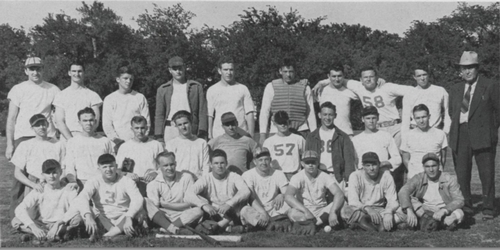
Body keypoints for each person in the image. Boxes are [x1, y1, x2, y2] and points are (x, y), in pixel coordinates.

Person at [75, 154, 184, 241]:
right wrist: (88, 216)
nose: (108, 169)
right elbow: (82, 197)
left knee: (144, 201)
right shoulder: (94, 181)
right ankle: (113, 235)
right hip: (104, 219)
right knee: (87, 209)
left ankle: (170, 228)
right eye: (104, 167)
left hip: (124, 220)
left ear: (116, 166)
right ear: (99, 168)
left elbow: (137, 199)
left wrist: (129, 216)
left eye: (111, 166)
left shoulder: (126, 180)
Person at [448, 51, 500, 220]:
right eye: (464, 68)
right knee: (462, 173)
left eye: (470, 67)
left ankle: (489, 207)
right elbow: (452, 112)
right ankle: (467, 205)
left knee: (486, 173)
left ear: (477, 68)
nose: (467, 71)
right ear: (460, 70)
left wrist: (490, 130)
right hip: (460, 134)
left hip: (483, 134)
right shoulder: (455, 88)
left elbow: (498, 112)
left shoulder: (490, 85)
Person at [314, 66, 413, 147]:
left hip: (395, 128)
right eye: (365, 77)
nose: (368, 79)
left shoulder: (387, 87)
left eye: (371, 76)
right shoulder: (359, 87)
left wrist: (406, 112)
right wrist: (321, 82)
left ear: (377, 77)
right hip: (376, 128)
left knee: (400, 156)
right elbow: (339, 80)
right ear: (361, 80)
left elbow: (412, 91)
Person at [11, 160, 82, 244]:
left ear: (61, 172)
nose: (51, 176)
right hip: (43, 224)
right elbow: (20, 208)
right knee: (15, 221)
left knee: (78, 220)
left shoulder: (68, 189)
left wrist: (58, 224)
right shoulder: (40, 189)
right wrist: (33, 227)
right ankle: (46, 234)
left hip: (61, 224)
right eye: (48, 173)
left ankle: (40, 236)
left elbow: (75, 208)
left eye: (55, 172)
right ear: (43, 175)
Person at [9, 114, 65, 219]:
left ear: (48, 125)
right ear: (32, 128)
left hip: (54, 182)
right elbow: (17, 173)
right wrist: (33, 185)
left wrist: (57, 182)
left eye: (43, 124)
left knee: (53, 217)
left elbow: (63, 168)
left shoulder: (58, 144)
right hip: (34, 184)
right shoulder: (25, 145)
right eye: (37, 125)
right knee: (30, 217)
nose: (41, 127)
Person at [5, 56, 60, 160]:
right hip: (24, 136)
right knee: (23, 174)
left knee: (48, 173)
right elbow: (11, 119)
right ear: (26, 71)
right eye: (32, 69)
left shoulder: (53, 89)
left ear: (43, 70)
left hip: (47, 136)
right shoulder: (18, 89)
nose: (35, 72)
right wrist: (10, 145)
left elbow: (60, 115)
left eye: (38, 69)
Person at [185, 149, 251, 233]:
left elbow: (246, 191)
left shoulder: (234, 176)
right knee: (199, 203)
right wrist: (204, 205)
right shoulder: (206, 178)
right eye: (216, 163)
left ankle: (218, 228)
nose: (219, 166)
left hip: (231, 212)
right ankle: (226, 228)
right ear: (211, 165)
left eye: (222, 163)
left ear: (226, 163)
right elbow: (188, 194)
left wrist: (229, 204)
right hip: (214, 213)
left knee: (240, 204)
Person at [398, 153, 464, 231]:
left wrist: (444, 210)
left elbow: (459, 200)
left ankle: (425, 223)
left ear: (439, 166)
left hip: (442, 209)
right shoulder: (419, 178)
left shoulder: (449, 179)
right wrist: (409, 210)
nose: (431, 170)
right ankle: (439, 223)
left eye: (434, 166)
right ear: (423, 167)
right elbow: (403, 191)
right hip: (423, 210)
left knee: (459, 213)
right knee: (401, 209)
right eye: (427, 166)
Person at [284, 150, 345, 233]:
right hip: (303, 210)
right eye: (307, 162)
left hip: (321, 209)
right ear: (302, 164)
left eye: (313, 162)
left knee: (342, 203)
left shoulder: (324, 176)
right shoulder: (297, 177)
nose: (310, 165)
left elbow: (339, 193)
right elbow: (288, 196)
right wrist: (306, 211)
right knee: (293, 212)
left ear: (317, 163)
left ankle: (312, 224)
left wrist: (332, 211)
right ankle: (319, 223)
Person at [340, 152, 403, 232]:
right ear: (363, 166)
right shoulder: (355, 176)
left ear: (379, 164)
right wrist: (368, 209)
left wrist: (388, 213)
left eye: (374, 165)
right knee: (345, 211)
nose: (371, 168)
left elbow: (393, 200)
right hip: (361, 209)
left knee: (403, 212)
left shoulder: (387, 176)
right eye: (368, 165)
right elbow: (353, 201)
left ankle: (365, 224)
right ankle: (381, 224)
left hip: (380, 210)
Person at [259, 57, 317, 144]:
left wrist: (314, 134)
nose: (288, 75)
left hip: (300, 129)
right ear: (280, 71)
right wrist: (262, 134)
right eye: (285, 72)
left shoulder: (305, 87)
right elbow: (265, 111)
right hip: (277, 129)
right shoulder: (271, 86)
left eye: (291, 71)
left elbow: (310, 112)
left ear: (295, 72)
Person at [146, 151, 204, 233]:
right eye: (165, 165)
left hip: (182, 215)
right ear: (159, 166)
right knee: (145, 201)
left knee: (198, 210)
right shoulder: (153, 183)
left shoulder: (186, 178)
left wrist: (167, 205)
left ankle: (166, 228)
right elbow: (155, 208)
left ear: (176, 163)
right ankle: (173, 228)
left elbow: (190, 203)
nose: (169, 168)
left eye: (172, 164)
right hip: (164, 215)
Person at [305, 102, 356, 191]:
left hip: (336, 176)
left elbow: (349, 161)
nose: (327, 118)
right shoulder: (312, 136)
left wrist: (348, 181)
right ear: (319, 115)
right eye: (325, 114)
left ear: (335, 116)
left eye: (330, 115)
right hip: (318, 174)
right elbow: (307, 158)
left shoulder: (343, 136)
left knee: (338, 202)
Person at [154, 56, 207, 143]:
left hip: (190, 127)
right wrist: (159, 135)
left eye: (180, 68)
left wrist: (202, 131)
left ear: (184, 68)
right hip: (171, 128)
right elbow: (159, 114)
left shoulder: (196, 87)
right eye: (175, 69)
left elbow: (202, 111)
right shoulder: (163, 89)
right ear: (170, 70)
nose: (178, 71)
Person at [351, 106, 402, 190]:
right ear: (362, 119)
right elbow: (354, 162)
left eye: (373, 118)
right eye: (368, 118)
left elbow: (397, 158)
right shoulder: (356, 139)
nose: (371, 121)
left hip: (383, 175)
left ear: (378, 118)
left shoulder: (386, 135)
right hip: (364, 177)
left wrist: (384, 163)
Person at [241, 147, 291, 231]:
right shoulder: (248, 175)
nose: (264, 163)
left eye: (266, 159)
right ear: (255, 161)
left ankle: (264, 225)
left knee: (289, 203)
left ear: (270, 160)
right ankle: (274, 224)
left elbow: (287, 193)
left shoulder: (278, 173)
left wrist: (281, 195)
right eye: (260, 160)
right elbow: (251, 198)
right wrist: (263, 213)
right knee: (245, 210)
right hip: (257, 209)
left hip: (274, 207)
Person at [102, 65, 150, 150]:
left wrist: (141, 138)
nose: (128, 81)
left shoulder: (139, 97)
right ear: (118, 79)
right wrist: (116, 140)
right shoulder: (110, 99)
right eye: (125, 78)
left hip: (138, 142)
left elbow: (147, 121)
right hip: (117, 144)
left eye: (131, 79)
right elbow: (107, 124)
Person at [207, 57, 255, 139]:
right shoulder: (212, 90)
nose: (228, 73)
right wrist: (210, 135)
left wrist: (251, 134)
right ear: (219, 71)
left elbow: (249, 113)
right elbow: (210, 115)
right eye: (225, 70)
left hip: (240, 134)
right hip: (219, 134)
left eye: (231, 70)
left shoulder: (242, 88)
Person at [64, 108, 114, 186]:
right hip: (81, 182)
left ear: (95, 121)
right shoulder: (72, 142)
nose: (88, 123)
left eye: (91, 120)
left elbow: (112, 164)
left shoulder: (105, 141)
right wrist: (73, 182)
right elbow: (69, 166)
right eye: (85, 120)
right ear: (79, 122)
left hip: (102, 182)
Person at [53, 62, 102, 140]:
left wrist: (85, 137)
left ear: (84, 73)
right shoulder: (61, 95)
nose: (77, 74)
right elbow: (59, 121)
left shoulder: (92, 95)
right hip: (67, 137)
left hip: (87, 137)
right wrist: (71, 140)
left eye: (79, 71)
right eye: (74, 71)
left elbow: (95, 121)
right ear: (69, 73)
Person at [116, 116, 164, 195]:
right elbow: (117, 170)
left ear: (146, 128)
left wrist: (155, 173)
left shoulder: (156, 145)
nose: (140, 131)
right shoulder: (124, 147)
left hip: (151, 183)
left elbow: (164, 166)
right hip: (131, 184)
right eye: (136, 128)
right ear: (132, 129)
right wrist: (127, 174)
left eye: (142, 128)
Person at [400, 66, 451, 141]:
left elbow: (448, 113)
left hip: (435, 132)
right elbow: (405, 119)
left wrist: (446, 131)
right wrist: (404, 139)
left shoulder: (440, 90)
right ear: (414, 77)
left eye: (424, 75)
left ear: (428, 75)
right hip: (416, 134)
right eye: (419, 76)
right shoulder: (409, 94)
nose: (422, 78)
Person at [400, 104, 448, 179]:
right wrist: (413, 172)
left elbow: (443, 158)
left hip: (435, 177)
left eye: (424, 117)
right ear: (414, 119)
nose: (421, 121)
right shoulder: (408, 135)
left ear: (429, 116)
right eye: (418, 118)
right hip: (415, 176)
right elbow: (405, 159)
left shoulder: (440, 134)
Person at [316, 62, 359, 136]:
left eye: (339, 76)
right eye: (334, 76)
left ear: (344, 76)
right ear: (328, 76)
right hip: (326, 134)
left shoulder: (349, 91)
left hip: (346, 133)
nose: (337, 79)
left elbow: (366, 91)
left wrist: (378, 81)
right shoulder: (320, 90)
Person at [164, 110, 210, 179]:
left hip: (197, 181)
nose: (183, 127)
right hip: (178, 181)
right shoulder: (171, 144)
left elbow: (206, 166)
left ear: (191, 123)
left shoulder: (201, 142)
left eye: (185, 123)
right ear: (176, 126)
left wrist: (203, 182)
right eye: (180, 125)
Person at [263, 110, 305, 180]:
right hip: (277, 174)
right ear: (275, 124)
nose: (283, 125)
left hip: (294, 174)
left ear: (289, 122)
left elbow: (305, 156)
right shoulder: (269, 141)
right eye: (280, 123)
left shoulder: (298, 139)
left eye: (284, 122)